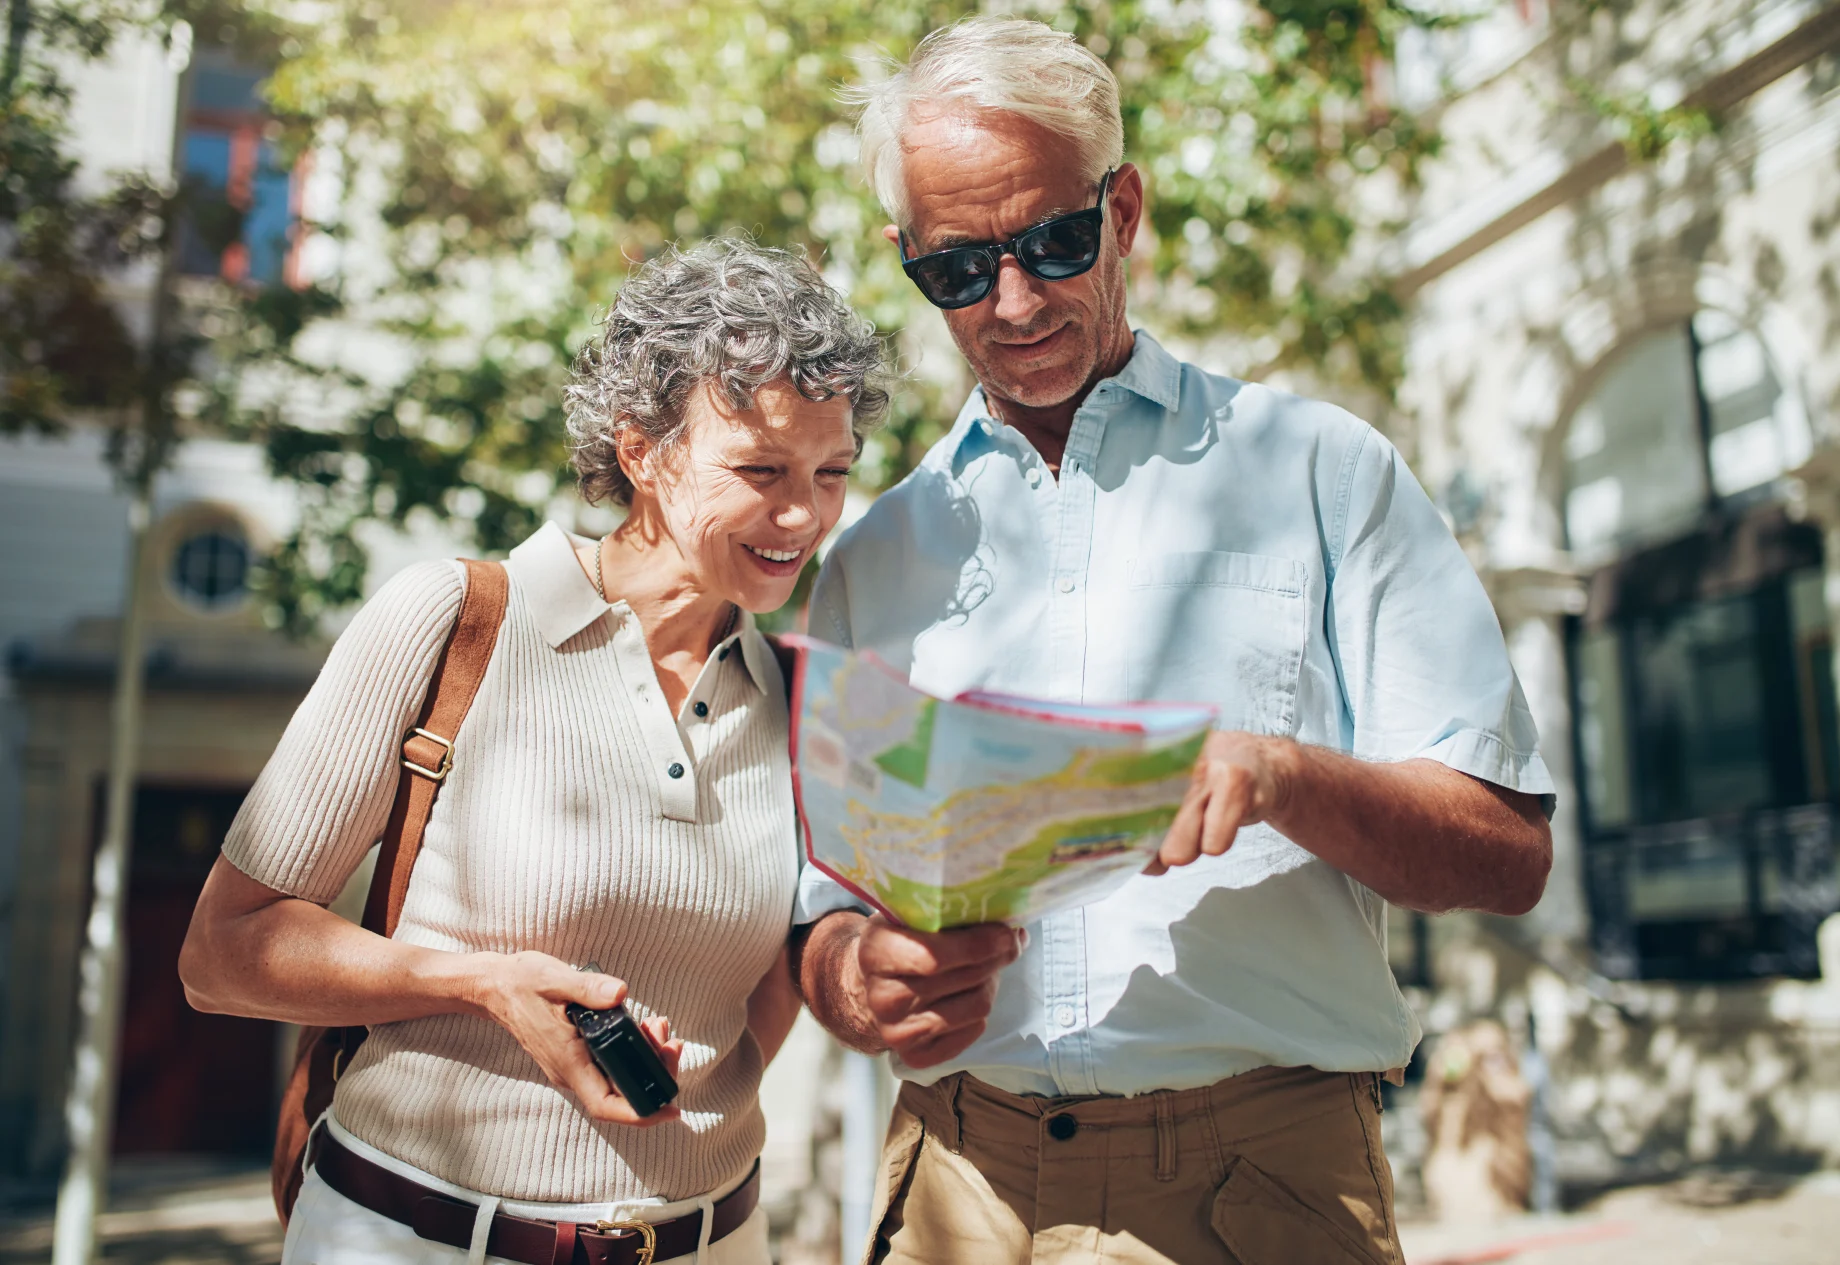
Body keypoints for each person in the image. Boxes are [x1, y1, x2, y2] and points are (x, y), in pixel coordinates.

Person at [791, 18, 1555, 1265]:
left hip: (1261, 1185)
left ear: (1124, 207)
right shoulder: (871, 557)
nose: (1017, 300)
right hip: (955, 1187)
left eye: (1051, 240)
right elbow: (818, 916)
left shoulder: (1321, 470)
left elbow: (1506, 854)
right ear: (908, 261)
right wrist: (854, 972)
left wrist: (1284, 777)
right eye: (960, 270)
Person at [180, 238, 889, 1265]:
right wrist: (478, 982)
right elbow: (221, 951)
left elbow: (764, 980)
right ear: (639, 448)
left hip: (713, 1242)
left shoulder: (795, 689)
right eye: (759, 470)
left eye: (831, 473)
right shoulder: (453, 621)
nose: (803, 515)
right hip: (417, 1238)